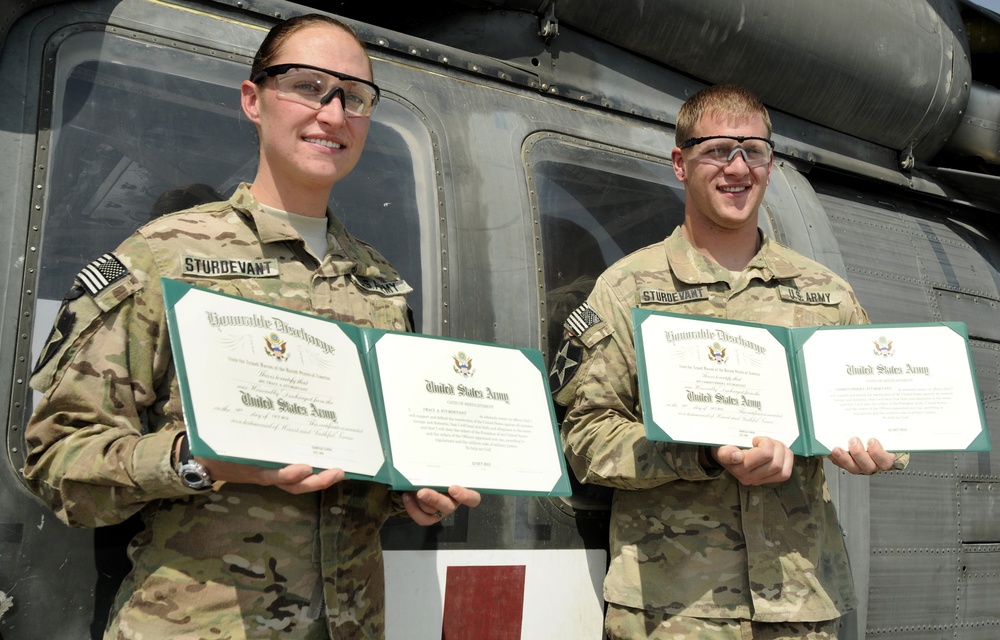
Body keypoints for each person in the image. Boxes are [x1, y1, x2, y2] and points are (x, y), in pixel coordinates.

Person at [24, 14, 480, 639]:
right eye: (308, 86)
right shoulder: (165, 256)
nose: (333, 112)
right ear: (253, 100)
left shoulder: (381, 288)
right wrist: (199, 462)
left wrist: (413, 495)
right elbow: (57, 463)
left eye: (356, 97)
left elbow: (363, 472)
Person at [550, 84, 908, 639]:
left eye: (755, 151)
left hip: (800, 606)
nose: (738, 167)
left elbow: (879, 412)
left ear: (770, 164)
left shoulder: (826, 295)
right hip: (674, 610)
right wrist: (702, 454)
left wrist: (876, 448)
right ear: (680, 162)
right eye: (718, 149)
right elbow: (586, 437)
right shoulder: (628, 290)